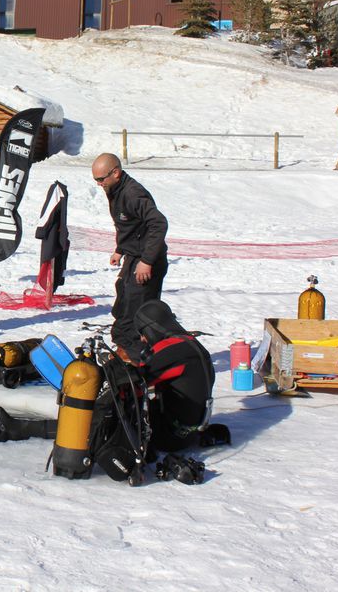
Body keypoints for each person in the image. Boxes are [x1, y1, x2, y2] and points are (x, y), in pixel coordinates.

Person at [91, 152, 168, 362]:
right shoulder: (115, 189)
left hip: (147, 260)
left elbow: (158, 224)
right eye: (95, 180)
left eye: (101, 179)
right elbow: (129, 226)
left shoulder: (133, 194)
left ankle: (138, 360)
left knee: (138, 310)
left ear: (116, 173)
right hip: (133, 256)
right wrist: (120, 249)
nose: (99, 184)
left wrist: (147, 261)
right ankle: (124, 349)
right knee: (123, 301)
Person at [134, 300, 224, 453]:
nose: (143, 339)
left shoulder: (169, 350)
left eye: (143, 332)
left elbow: (136, 382)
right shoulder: (191, 343)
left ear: (151, 327)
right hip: (192, 430)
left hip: (171, 438)